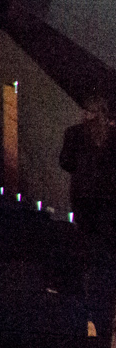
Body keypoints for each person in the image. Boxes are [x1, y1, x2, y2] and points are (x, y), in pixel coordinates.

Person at [61, 95, 116, 240]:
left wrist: (81, 170)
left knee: (85, 233)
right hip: (108, 191)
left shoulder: (74, 132)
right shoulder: (111, 135)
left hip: (82, 190)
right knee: (106, 233)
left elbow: (65, 162)